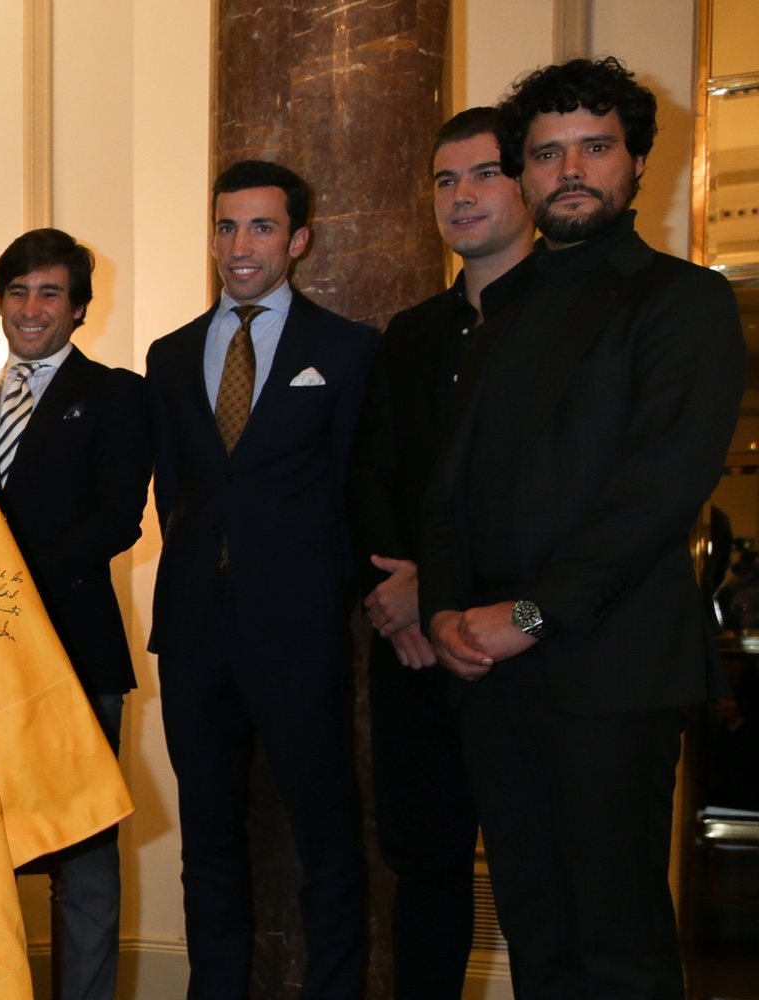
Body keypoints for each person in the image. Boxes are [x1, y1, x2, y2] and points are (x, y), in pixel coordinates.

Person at [421, 57, 745, 997]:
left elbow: (657, 493)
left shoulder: (683, 299)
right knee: (538, 936)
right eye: (545, 153)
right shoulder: (501, 311)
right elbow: (451, 490)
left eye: (594, 148)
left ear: (637, 162)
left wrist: (525, 617)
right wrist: (444, 611)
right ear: (524, 175)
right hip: (491, 675)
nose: (569, 170)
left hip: (612, 672)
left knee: (615, 945)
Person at [144, 159, 376, 998]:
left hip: (300, 633)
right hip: (194, 634)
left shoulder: (347, 350)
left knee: (327, 838)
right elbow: (175, 489)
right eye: (226, 226)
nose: (240, 245)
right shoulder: (170, 355)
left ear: (299, 240)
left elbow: (356, 493)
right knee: (207, 840)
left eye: (262, 226)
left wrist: (322, 596)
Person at [347, 107, 531, 999]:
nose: (462, 195)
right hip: (416, 654)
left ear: (528, 182)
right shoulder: (411, 333)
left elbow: (551, 494)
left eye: (485, 173)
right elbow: (372, 474)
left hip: (526, 648)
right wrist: (399, 598)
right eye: (445, 179)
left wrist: (444, 589)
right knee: (423, 870)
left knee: (541, 876)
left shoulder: (569, 318)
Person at [0, 228, 150, 1000]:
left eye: (50, 293)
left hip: (77, 654)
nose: (31, 308)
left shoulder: (118, 394)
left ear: (79, 309)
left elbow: (118, 520)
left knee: (85, 860)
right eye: (18, 291)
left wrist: (10, 585)